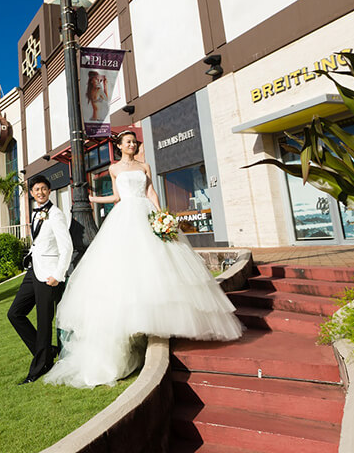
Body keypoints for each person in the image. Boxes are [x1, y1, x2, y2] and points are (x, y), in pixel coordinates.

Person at [44, 130, 243, 389]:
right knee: (129, 267)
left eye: (133, 141)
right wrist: (94, 199)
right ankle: (136, 324)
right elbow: (117, 197)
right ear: (120, 146)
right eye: (127, 141)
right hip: (125, 216)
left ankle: (163, 321)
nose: (132, 144)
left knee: (162, 263)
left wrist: (162, 215)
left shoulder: (145, 166)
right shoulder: (114, 169)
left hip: (147, 214)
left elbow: (150, 192)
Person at [7, 176, 73, 384]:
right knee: (15, 313)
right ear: (32, 193)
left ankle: (39, 367)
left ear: (50, 190)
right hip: (34, 270)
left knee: (44, 323)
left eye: (44, 189)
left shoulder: (55, 214)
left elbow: (67, 247)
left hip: (50, 275)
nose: (40, 192)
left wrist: (58, 275)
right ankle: (48, 351)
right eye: (36, 189)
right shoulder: (37, 213)